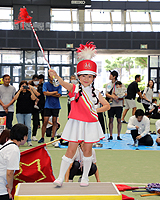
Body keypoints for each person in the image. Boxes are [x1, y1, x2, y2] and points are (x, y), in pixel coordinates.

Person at [50, 47, 110, 187]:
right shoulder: (74, 88)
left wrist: (95, 109)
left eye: (90, 76)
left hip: (90, 124)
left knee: (88, 151)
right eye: (83, 76)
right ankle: (60, 178)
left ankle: (85, 178)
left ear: (94, 77)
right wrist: (55, 75)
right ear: (79, 76)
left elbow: (107, 105)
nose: (86, 79)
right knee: (70, 150)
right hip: (76, 123)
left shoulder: (96, 92)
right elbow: (63, 84)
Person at [37, 73, 62, 143]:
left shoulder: (58, 84)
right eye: (51, 76)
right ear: (48, 77)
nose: (53, 77)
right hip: (47, 106)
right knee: (45, 122)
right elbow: (45, 93)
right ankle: (42, 137)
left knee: (55, 122)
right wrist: (54, 92)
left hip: (56, 106)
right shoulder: (45, 84)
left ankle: (52, 137)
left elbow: (59, 95)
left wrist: (49, 93)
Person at [14, 81, 38, 146]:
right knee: (20, 127)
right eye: (23, 86)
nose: (24, 87)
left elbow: (33, 98)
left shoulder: (29, 93)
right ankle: (20, 140)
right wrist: (19, 90)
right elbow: (15, 98)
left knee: (28, 127)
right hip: (19, 112)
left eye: (25, 86)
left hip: (28, 112)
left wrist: (31, 91)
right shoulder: (18, 92)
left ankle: (29, 140)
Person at [106, 71, 125, 140]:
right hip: (111, 105)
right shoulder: (108, 84)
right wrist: (113, 97)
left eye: (110, 75)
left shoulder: (120, 84)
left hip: (119, 104)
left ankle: (118, 135)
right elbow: (106, 94)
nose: (109, 76)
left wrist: (118, 97)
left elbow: (124, 94)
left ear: (114, 76)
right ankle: (111, 135)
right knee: (110, 119)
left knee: (119, 120)